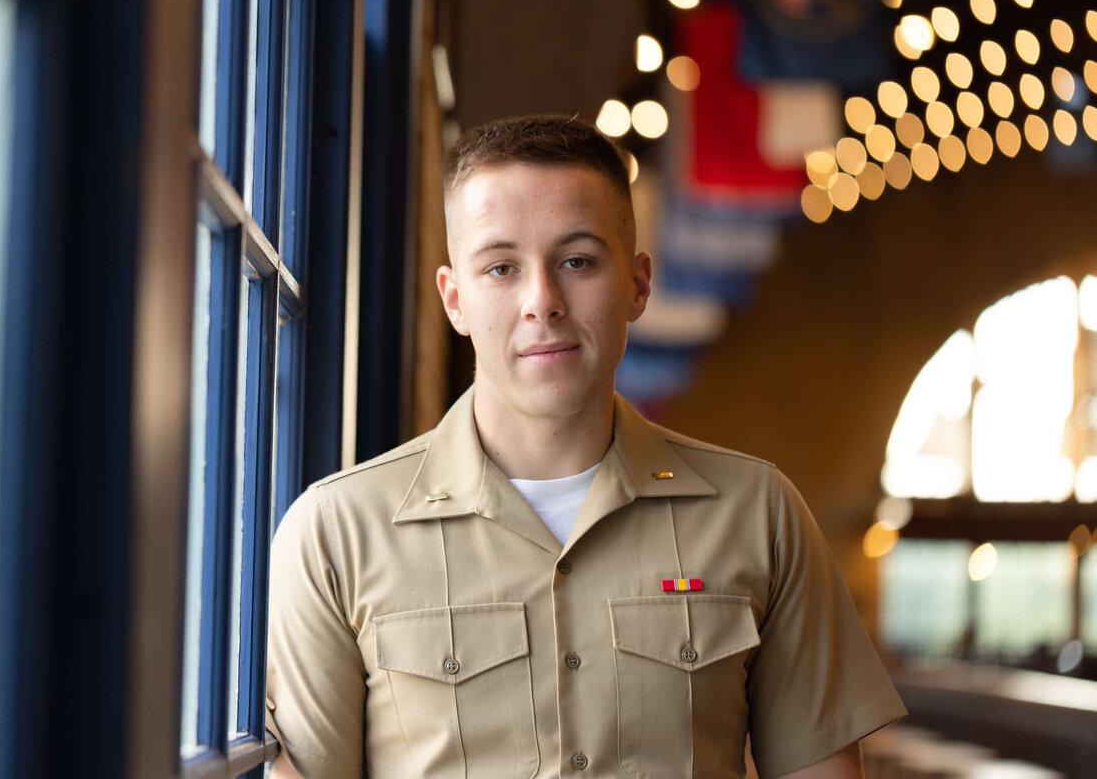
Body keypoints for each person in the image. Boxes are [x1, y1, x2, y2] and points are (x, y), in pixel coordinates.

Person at [265, 114, 906, 779]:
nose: (542, 300)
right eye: (501, 267)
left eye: (577, 261)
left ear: (637, 285)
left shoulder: (761, 514)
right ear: (455, 301)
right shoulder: (335, 534)